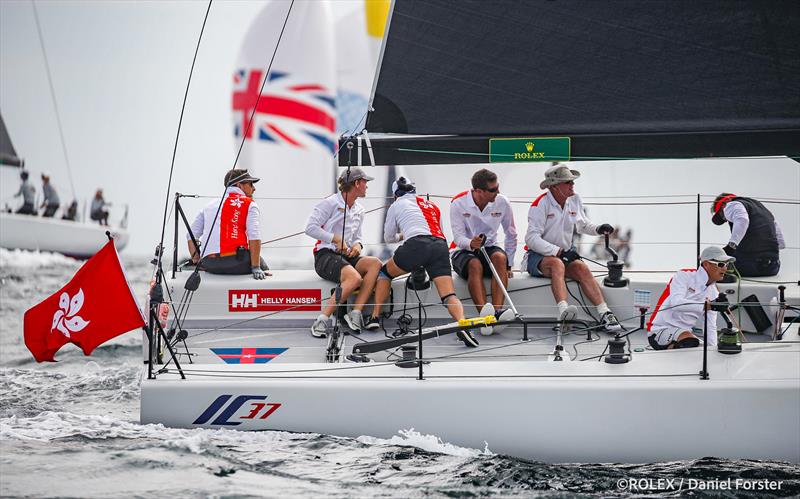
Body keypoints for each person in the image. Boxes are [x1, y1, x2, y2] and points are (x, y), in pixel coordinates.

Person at [373, 176, 479, 348]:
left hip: (416, 245)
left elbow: (388, 237)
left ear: (395, 195)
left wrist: (403, 235)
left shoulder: (396, 205)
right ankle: (462, 323)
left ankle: (375, 317)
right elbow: (440, 232)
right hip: (439, 245)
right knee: (449, 295)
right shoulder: (433, 206)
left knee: (385, 273)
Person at [522, 164, 622, 331]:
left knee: (582, 269)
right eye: (567, 182)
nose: (572, 185)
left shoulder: (574, 199)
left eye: (572, 182)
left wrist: (598, 229)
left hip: (564, 255)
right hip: (537, 257)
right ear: (554, 187)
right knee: (557, 264)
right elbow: (531, 239)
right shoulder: (540, 205)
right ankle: (563, 314)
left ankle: (605, 314)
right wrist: (558, 252)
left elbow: (582, 225)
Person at [306, 167, 383, 337]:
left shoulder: (359, 209)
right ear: (356, 183)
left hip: (346, 256)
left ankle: (355, 313)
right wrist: (335, 239)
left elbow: (358, 237)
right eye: (365, 182)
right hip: (325, 255)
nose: (367, 186)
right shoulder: (330, 203)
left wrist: (358, 246)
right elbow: (310, 228)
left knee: (375, 264)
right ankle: (322, 320)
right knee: (354, 278)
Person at [449, 168, 517, 334]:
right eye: (493, 190)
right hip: (462, 249)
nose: (498, 192)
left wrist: (510, 264)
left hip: (489, 247)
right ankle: (483, 317)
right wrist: (471, 243)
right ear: (478, 191)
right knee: (474, 264)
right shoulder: (458, 203)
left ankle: (496, 312)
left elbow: (511, 234)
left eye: (497, 187)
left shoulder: (502, 202)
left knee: (501, 258)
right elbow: (458, 238)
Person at [646, 246, 734, 350]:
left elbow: (710, 326)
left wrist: (712, 350)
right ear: (706, 264)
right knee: (690, 342)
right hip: (659, 330)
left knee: (705, 348)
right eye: (721, 264)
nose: (725, 268)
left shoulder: (714, 292)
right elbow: (676, 303)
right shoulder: (684, 275)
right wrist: (708, 306)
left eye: (727, 264)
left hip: (685, 334)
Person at [187, 169, 268, 279]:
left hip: (208, 264)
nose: (254, 189)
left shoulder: (209, 205)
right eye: (251, 184)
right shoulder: (249, 204)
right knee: (261, 262)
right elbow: (254, 236)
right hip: (236, 263)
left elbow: (191, 234)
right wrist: (256, 267)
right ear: (240, 185)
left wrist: (196, 261)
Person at [711, 193, 785, 277]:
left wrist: (731, 246)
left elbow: (742, 220)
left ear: (724, 204)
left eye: (722, 214)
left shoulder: (732, 204)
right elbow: (781, 243)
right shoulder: (764, 210)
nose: (725, 218)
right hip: (773, 267)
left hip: (748, 265)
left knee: (712, 267)